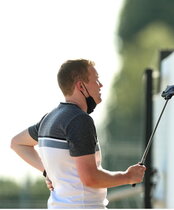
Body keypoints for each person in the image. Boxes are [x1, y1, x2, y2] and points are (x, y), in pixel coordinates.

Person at [11, 59, 146, 209]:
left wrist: (48, 171)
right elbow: (90, 178)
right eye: (96, 80)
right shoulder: (79, 120)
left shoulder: (49, 119)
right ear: (81, 86)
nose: (101, 85)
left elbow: (17, 143)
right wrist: (128, 177)